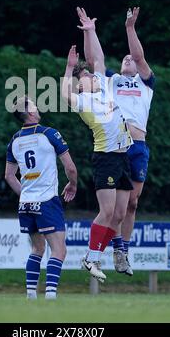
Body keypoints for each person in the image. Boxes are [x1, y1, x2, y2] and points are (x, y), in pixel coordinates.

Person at [78, 6, 155, 276]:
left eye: (131, 60)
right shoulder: (111, 81)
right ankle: (115, 248)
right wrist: (90, 32)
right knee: (116, 209)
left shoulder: (146, 83)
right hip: (117, 147)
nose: (128, 59)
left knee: (132, 204)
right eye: (124, 59)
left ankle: (121, 249)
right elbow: (93, 60)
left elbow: (138, 55)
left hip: (139, 147)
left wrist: (130, 28)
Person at [61, 41, 133, 283]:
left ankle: (95, 256)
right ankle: (90, 259)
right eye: (86, 76)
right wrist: (69, 67)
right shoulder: (84, 101)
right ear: (80, 85)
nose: (92, 76)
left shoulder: (103, 88)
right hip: (106, 158)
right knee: (107, 211)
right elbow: (63, 94)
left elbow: (99, 59)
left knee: (120, 214)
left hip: (122, 156)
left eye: (90, 74)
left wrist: (91, 31)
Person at [5, 96, 77, 299]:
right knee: (59, 250)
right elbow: (70, 167)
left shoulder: (15, 140)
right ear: (29, 112)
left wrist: (26, 195)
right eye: (33, 104)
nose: (37, 106)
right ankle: (51, 295)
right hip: (47, 200)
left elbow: (9, 176)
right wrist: (72, 184)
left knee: (37, 248)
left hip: (26, 203)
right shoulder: (49, 133)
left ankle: (30, 295)